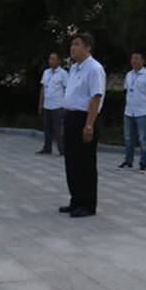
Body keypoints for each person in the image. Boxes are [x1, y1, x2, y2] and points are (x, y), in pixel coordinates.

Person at [59, 33, 106, 218]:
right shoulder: (74, 68)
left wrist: (89, 125)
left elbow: (96, 97)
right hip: (71, 117)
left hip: (85, 119)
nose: (73, 48)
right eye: (72, 44)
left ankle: (87, 205)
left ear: (88, 47)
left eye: (77, 44)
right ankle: (76, 200)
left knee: (85, 163)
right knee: (71, 162)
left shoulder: (94, 68)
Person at [118, 52, 146, 173]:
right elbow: (127, 90)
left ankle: (143, 163)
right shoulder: (129, 75)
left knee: (143, 139)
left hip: (142, 112)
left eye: (136, 58)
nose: (134, 61)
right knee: (128, 138)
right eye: (132, 59)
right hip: (129, 111)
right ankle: (128, 160)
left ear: (143, 61)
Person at [38, 52, 69, 155]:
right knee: (47, 128)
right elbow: (43, 88)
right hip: (47, 105)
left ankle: (62, 149)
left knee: (58, 129)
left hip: (58, 106)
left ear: (58, 61)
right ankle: (47, 148)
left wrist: (66, 105)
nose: (50, 61)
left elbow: (67, 89)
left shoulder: (63, 74)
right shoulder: (46, 72)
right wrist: (40, 103)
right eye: (50, 59)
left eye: (53, 59)